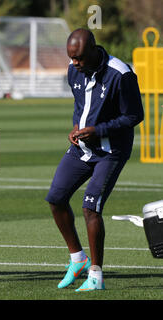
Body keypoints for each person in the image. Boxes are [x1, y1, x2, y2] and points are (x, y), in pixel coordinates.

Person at [45, 29, 144, 291]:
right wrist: (76, 127)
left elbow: (134, 115)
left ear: (92, 50)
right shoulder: (73, 68)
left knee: (90, 207)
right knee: (56, 198)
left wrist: (97, 130)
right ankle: (78, 259)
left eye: (77, 58)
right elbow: (81, 105)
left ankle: (96, 276)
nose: (74, 63)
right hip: (83, 149)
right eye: (71, 58)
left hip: (111, 151)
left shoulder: (120, 74)